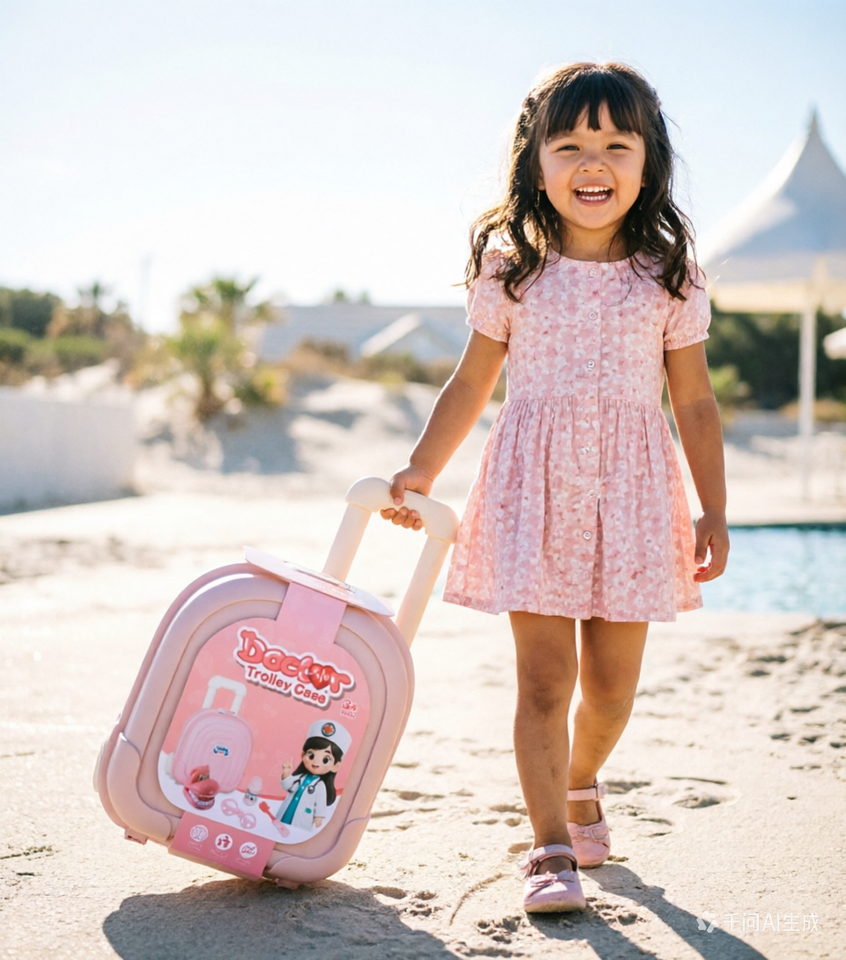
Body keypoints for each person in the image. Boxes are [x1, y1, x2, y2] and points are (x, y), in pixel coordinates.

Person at [381, 61, 729, 913]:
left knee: (609, 691)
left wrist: (714, 507)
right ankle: (549, 847)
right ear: (535, 164)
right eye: (568, 144)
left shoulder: (670, 276)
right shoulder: (513, 269)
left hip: (634, 498)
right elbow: (471, 383)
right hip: (532, 494)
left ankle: (580, 779)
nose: (592, 162)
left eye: (616, 144)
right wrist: (422, 468)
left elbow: (693, 400)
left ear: (647, 163)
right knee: (544, 682)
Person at [276, 720, 350, 832]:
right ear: (303, 755)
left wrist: (318, 817)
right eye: (311, 755)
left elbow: (320, 803)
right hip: (286, 812)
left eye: (326, 759)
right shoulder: (300, 777)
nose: (316, 761)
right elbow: (288, 786)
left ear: (336, 766)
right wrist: (286, 773)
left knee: (296, 832)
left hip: (303, 819)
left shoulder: (320, 786)